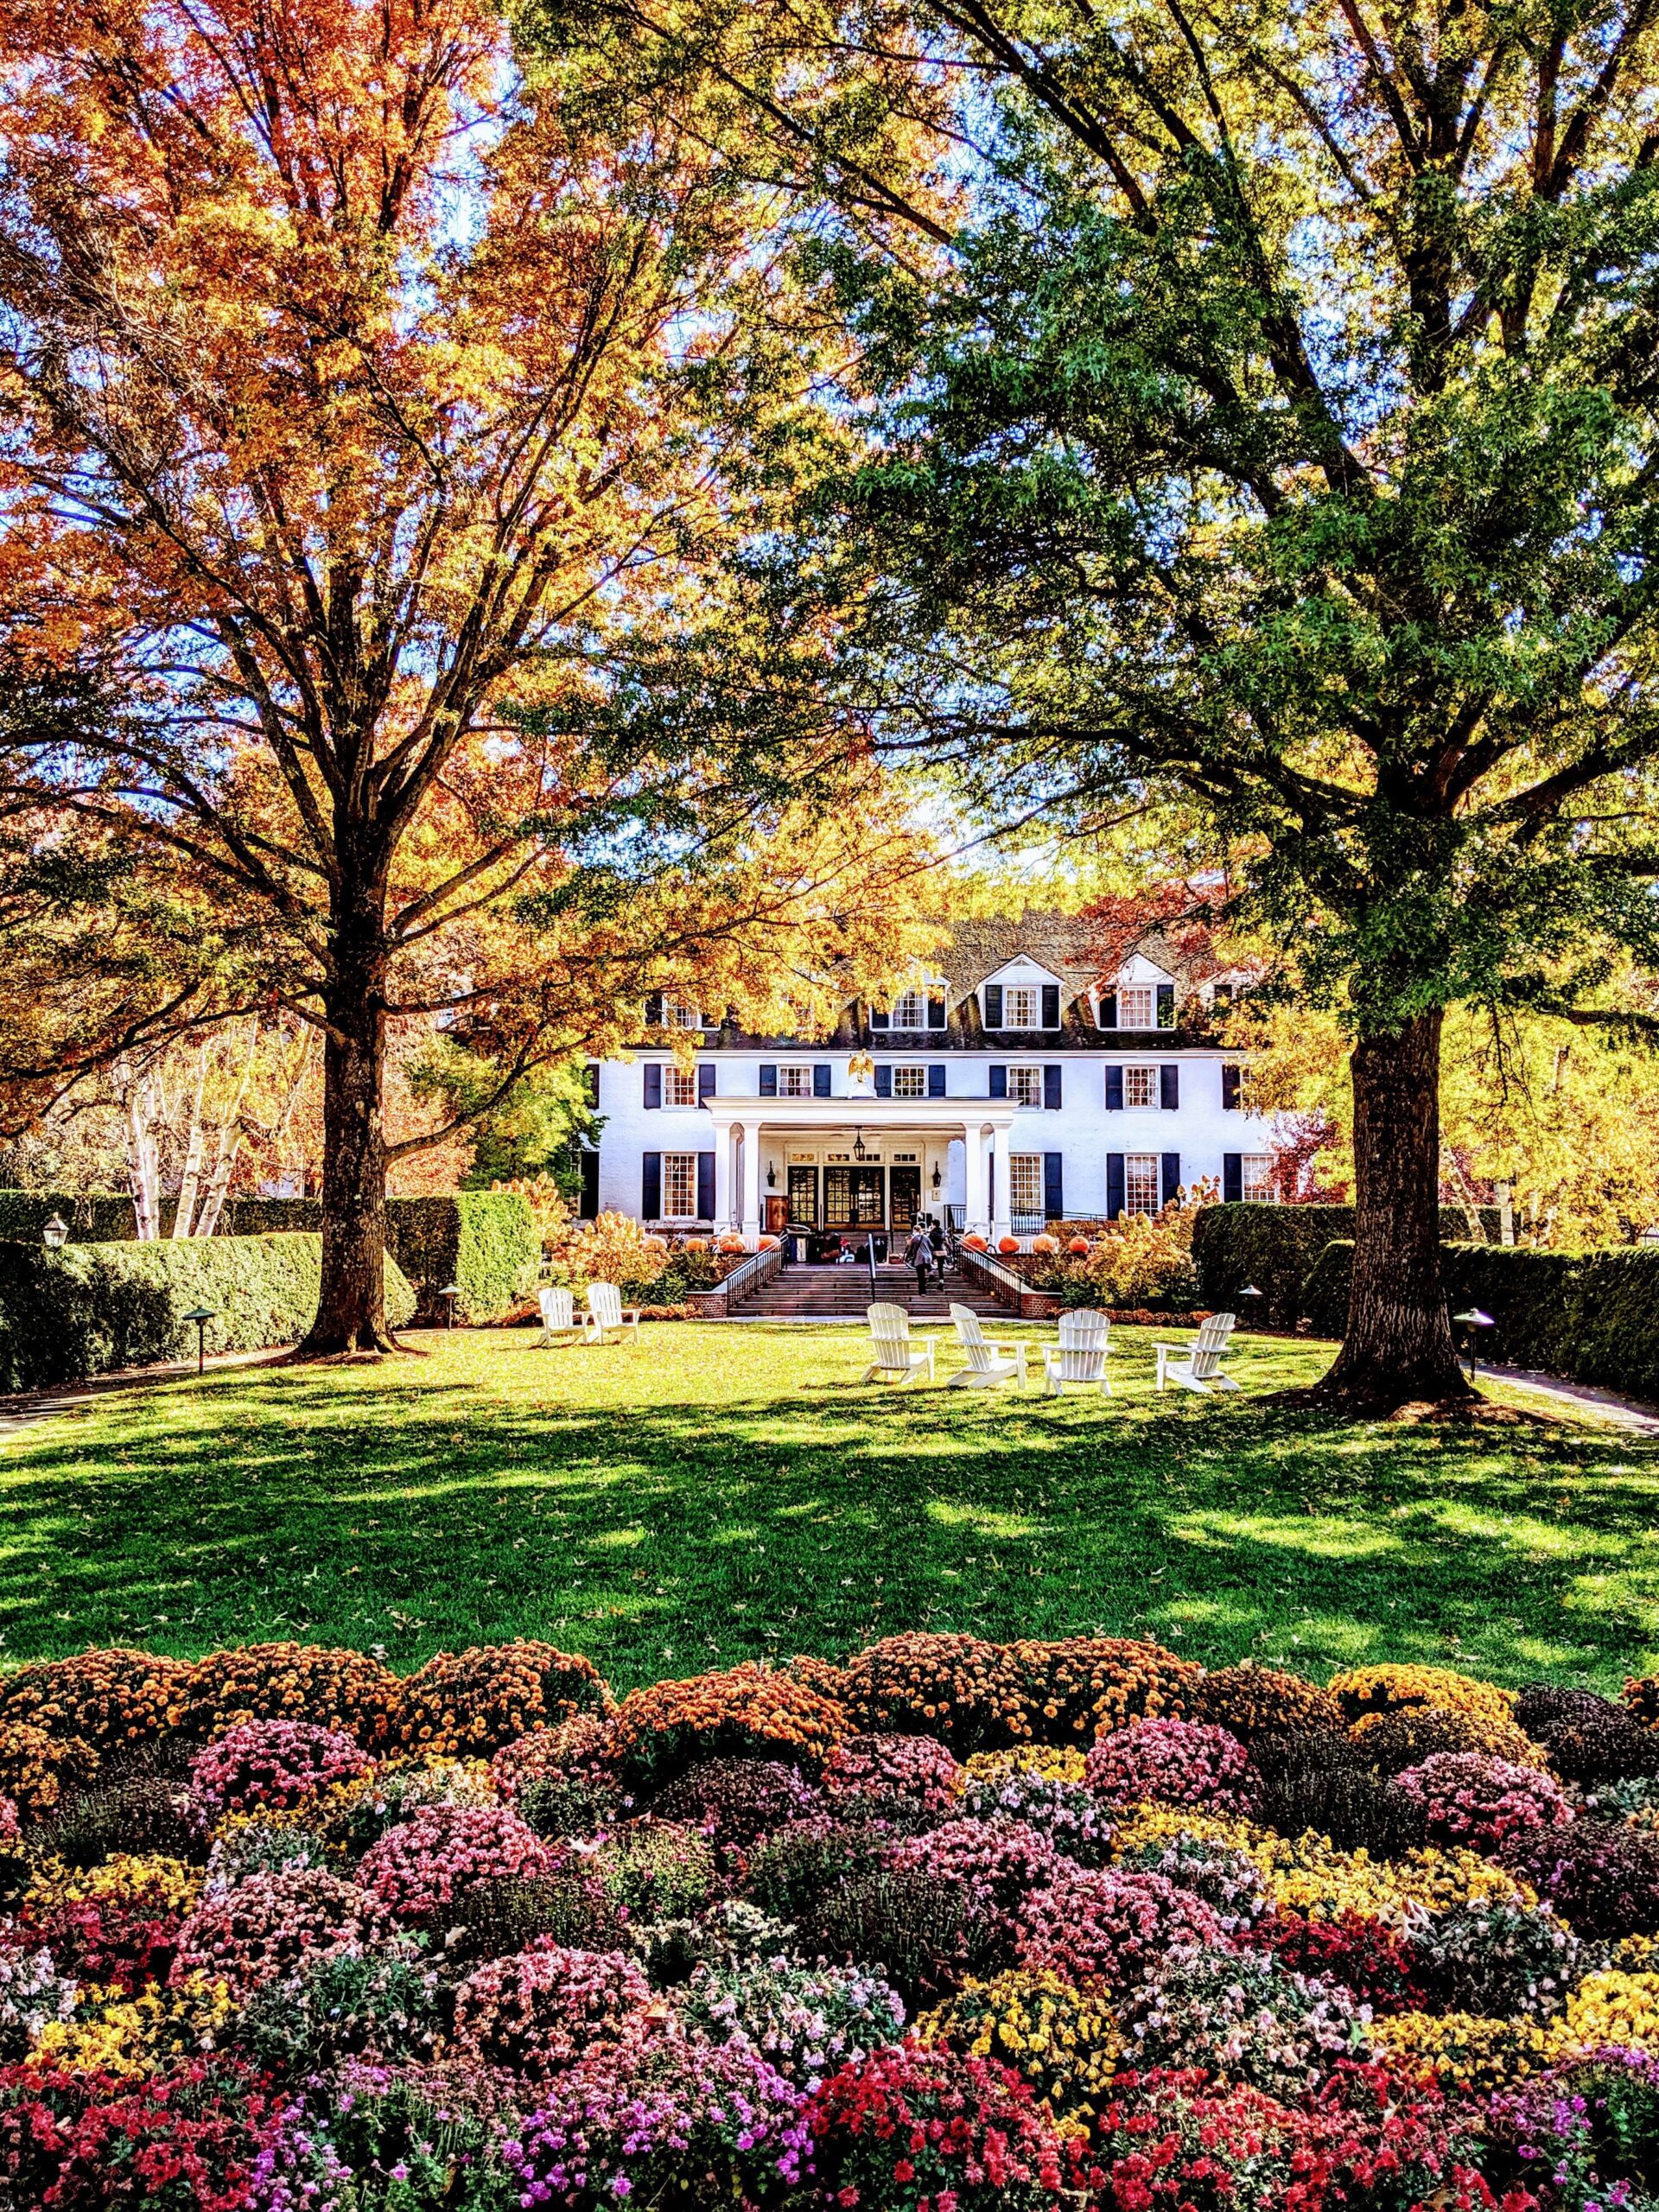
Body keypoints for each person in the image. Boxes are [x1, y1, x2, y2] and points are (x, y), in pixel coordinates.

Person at [904, 1224, 932, 1294]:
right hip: (928, 1257)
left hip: (919, 1258)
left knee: (921, 1276)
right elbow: (932, 1246)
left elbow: (910, 1249)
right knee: (928, 1267)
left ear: (914, 1230)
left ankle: (922, 1292)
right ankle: (931, 1275)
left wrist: (906, 1258)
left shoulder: (915, 1239)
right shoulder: (926, 1237)